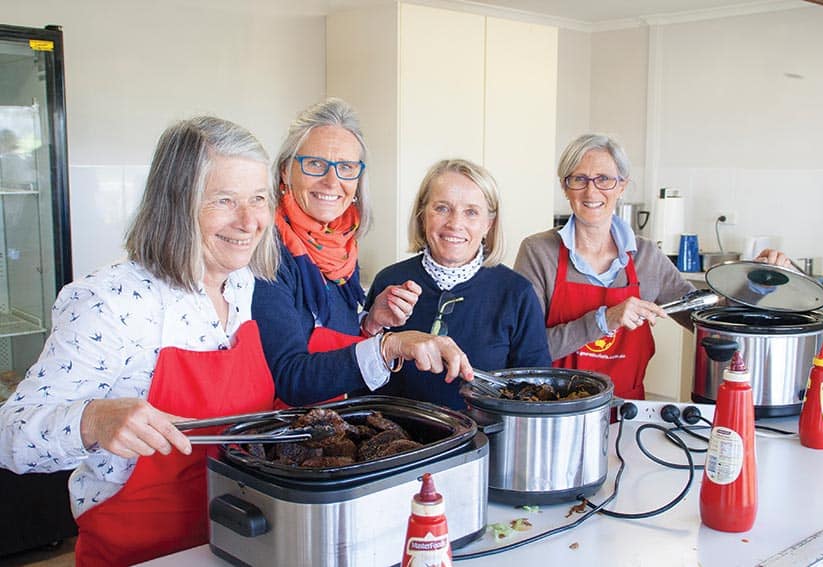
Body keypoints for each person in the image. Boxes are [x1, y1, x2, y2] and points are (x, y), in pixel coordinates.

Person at [0, 116, 279, 565]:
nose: (249, 222)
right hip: (140, 552)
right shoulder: (108, 303)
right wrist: (92, 420)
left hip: (240, 540)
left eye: (259, 200)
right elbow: (9, 435)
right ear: (175, 204)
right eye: (224, 200)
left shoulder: (240, 283)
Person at [514, 133, 795, 400]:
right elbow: (526, 351)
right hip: (554, 413)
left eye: (604, 179)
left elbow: (705, 322)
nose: (591, 190)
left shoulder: (646, 255)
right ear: (565, 186)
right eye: (579, 179)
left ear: (622, 185)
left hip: (627, 413)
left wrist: (754, 286)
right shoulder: (539, 252)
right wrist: (604, 320)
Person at [253, 99, 473, 407]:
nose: (332, 181)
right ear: (285, 171)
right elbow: (290, 378)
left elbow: (332, 347)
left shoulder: (342, 249)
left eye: (346, 168)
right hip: (281, 440)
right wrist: (389, 345)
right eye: (315, 164)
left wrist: (369, 325)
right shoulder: (267, 253)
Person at [365, 159, 551, 409]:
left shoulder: (517, 294)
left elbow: (535, 396)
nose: (454, 223)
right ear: (423, 216)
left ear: (489, 224)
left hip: (486, 443)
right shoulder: (389, 283)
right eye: (442, 208)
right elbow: (360, 379)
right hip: (397, 443)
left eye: (471, 212)